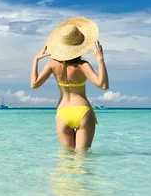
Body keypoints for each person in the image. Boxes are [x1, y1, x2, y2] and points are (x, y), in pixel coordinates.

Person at [30, 17, 109, 150]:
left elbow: (34, 84)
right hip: (82, 112)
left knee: (66, 160)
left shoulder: (52, 64)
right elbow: (103, 85)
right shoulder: (82, 65)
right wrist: (100, 60)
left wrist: (35, 60)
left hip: (63, 113)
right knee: (83, 160)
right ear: (79, 46)